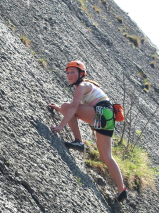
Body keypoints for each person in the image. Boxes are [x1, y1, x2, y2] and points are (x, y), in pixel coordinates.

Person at [48, 60, 127, 202]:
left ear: (81, 74)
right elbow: (76, 112)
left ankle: (79, 141)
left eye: (73, 72)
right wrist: (60, 109)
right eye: (68, 73)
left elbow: (73, 108)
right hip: (108, 117)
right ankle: (122, 190)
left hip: (102, 113)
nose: (69, 75)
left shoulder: (82, 86)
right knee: (107, 157)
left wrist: (60, 126)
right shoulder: (87, 86)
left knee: (67, 106)